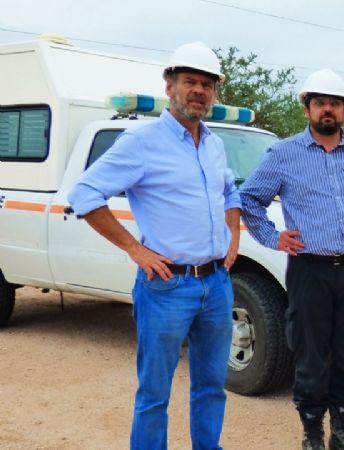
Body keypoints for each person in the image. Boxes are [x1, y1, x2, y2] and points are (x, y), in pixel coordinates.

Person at [67, 42, 240, 450]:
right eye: (189, 82)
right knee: (154, 395)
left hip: (216, 285)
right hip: (166, 288)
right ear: (170, 86)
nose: (198, 90)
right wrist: (136, 249)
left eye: (206, 84)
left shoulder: (214, 144)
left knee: (212, 387)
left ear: (214, 92)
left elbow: (230, 192)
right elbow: (85, 194)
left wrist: (233, 237)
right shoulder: (142, 141)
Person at [239, 68, 344, 450]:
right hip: (309, 269)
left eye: (334, 103)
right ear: (307, 108)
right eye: (319, 103)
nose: (327, 110)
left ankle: (341, 429)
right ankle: (312, 432)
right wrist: (272, 237)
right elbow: (249, 199)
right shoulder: (284, 154)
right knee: (311, 352)